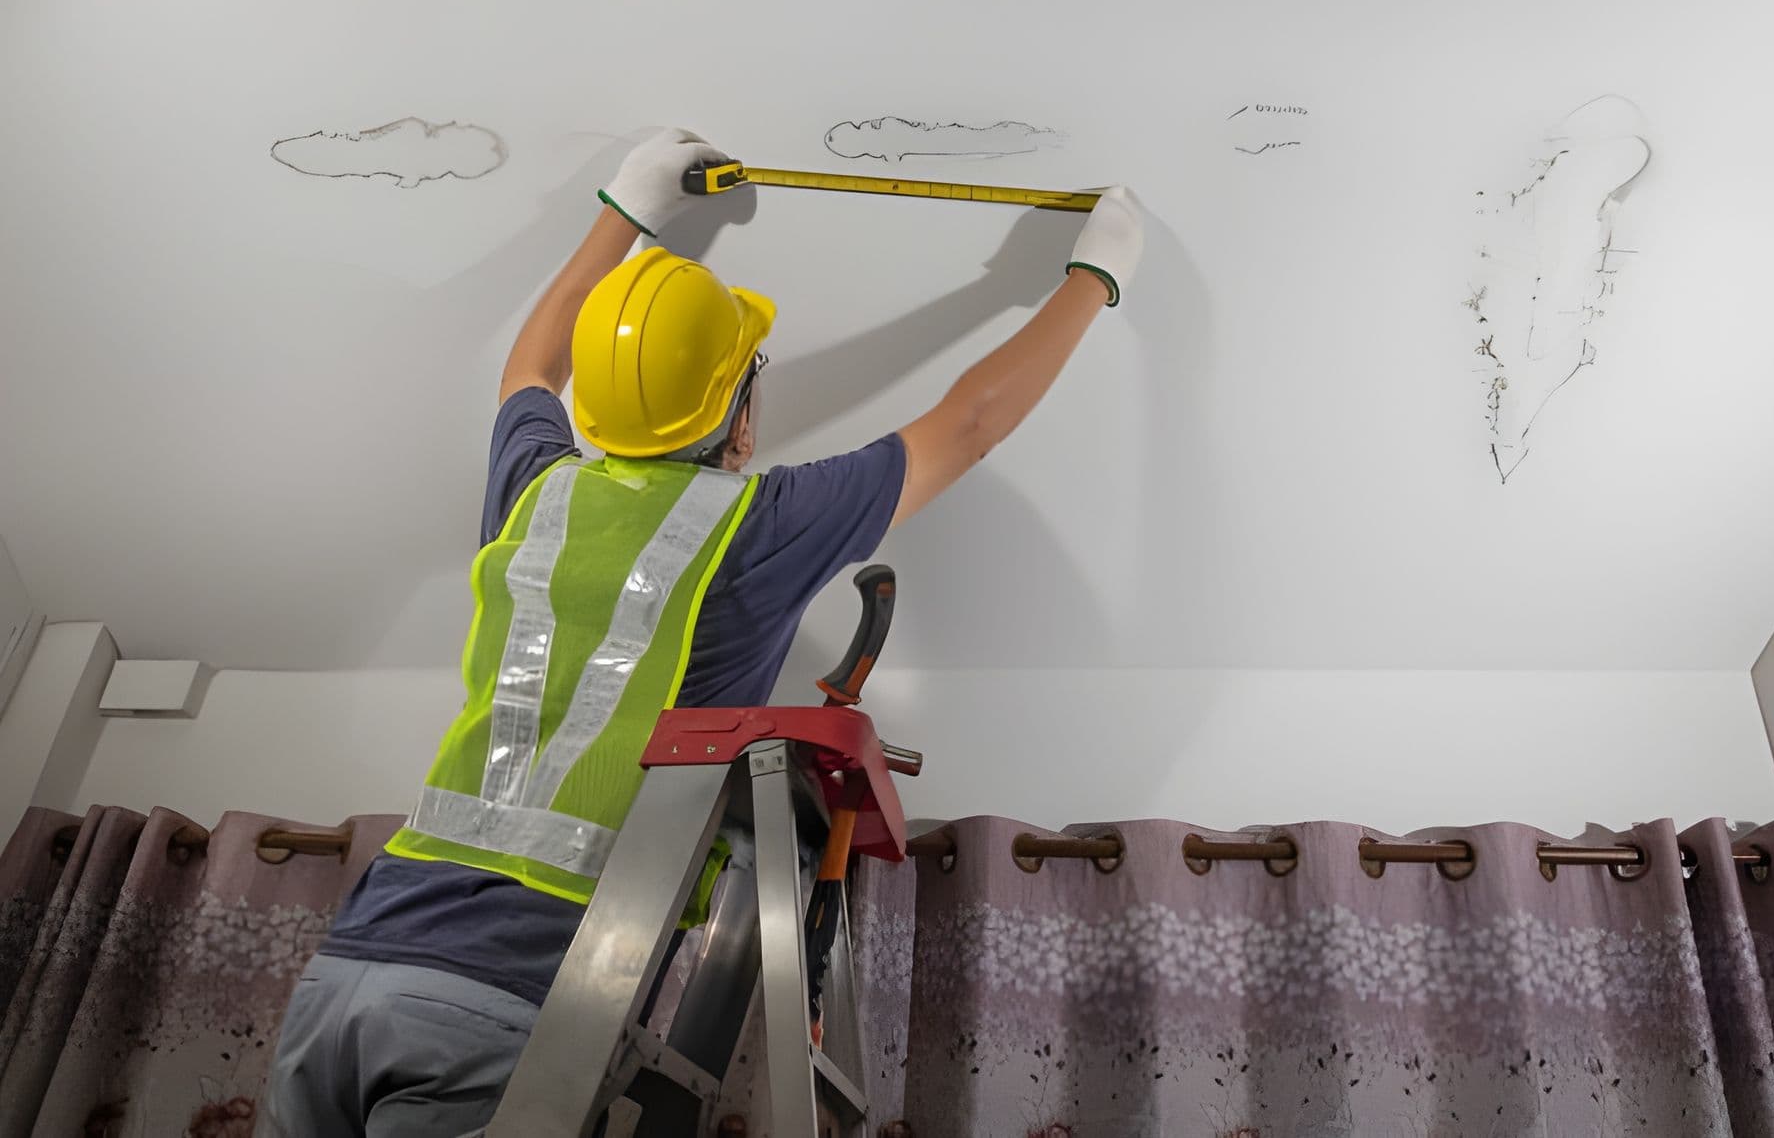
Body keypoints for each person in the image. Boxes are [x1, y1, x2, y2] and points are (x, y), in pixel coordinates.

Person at [260, 126, 1144, 1136]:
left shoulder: (534, 486)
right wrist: (1097, 275)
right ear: (742, 413)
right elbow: (969, 425)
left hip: (345, 979)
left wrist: (625, 212)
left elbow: (529, 365)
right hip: (500, 1001)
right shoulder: (758, 523)